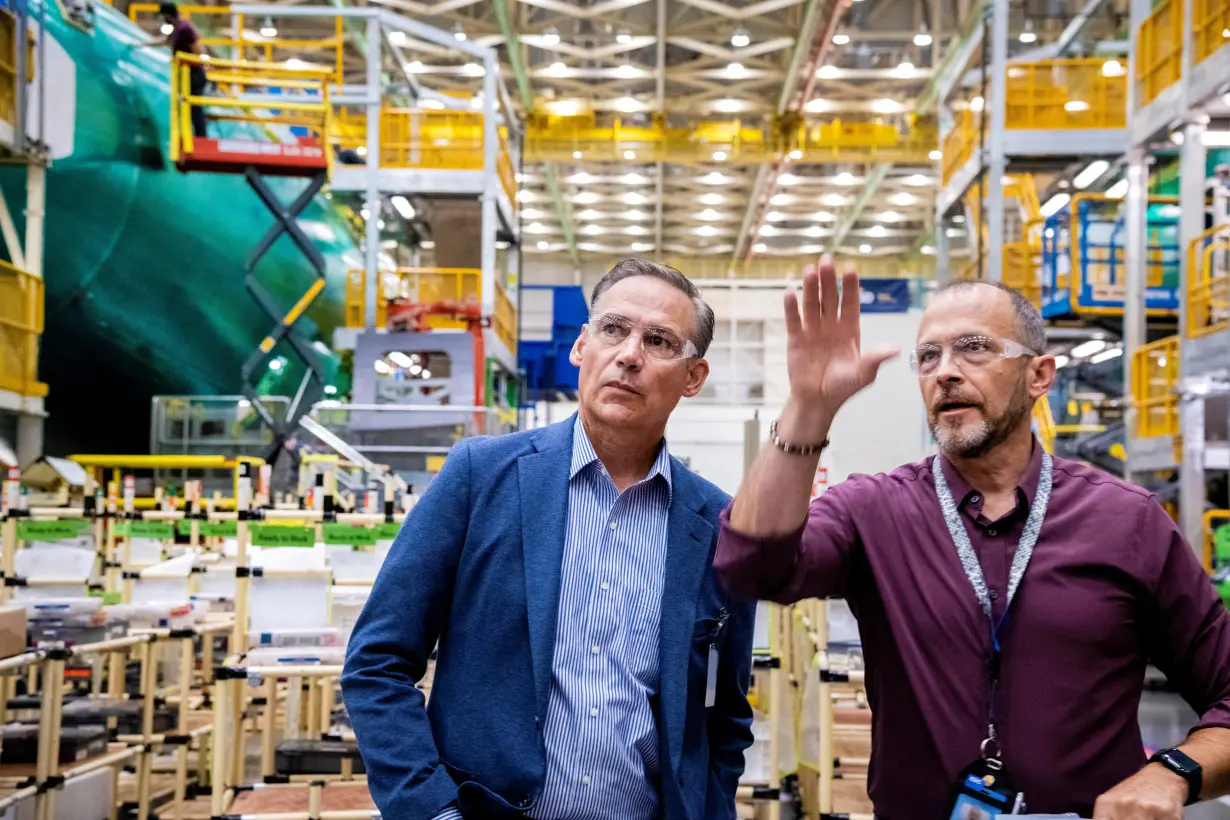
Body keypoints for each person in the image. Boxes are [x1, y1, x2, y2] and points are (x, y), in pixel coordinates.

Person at [715, 260, 1230, 820]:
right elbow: (751, 568)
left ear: (1039, 376)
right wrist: (808, 409)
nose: (946, 372)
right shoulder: (875, 511)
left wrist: (1172, 773)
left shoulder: (1127, 522)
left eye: (975, 348)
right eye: (929, 356)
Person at [343, 258, 756, 820]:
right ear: (581, 346)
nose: (629, 354)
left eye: (659, 341)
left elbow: (725, 716)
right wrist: (430, 808)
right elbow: (377, 662)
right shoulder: (479, 477)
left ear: (693, 377)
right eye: (613, 329)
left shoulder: (717, 525)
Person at [141, 3, 209, 138]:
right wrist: (143, 44)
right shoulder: (178, 28)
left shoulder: (184, 28)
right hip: (187, 74)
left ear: (168, 15)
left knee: (194, 108)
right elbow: (165, 41)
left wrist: (199, 64)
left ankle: (201, 138)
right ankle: (193, 136)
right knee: (188, 108)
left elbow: (197, 49)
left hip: (193, 74)